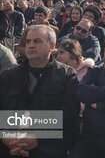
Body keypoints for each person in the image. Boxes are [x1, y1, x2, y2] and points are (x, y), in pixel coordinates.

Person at [0, 25, 80, 158]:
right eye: (28, 41)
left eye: (37, 41)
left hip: (48, 146)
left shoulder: (67, 76)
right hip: (8, 145)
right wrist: (6, 138)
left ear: (52, 45)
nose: (31, 45)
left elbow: (68, 115)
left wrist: (36, 139)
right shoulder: (9, 75)